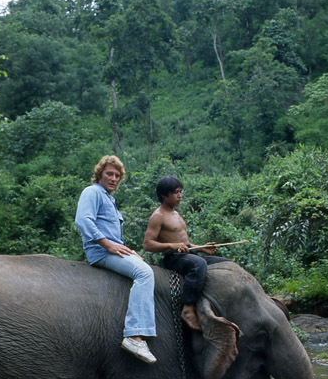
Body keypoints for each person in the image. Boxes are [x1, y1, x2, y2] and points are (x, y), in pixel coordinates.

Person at [75, 155, 157, 364]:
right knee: (144, 273)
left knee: (142, 265)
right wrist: (107, 245)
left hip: (110, 249)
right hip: (101, 252)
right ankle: (134, 335)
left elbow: (112, 236)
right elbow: (83, 220)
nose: (113, 178)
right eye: (109, 174)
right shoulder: (92, 192)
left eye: (117, 175)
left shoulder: (108, 199)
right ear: (99, 175)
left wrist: (126, 250)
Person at [143, 176, 231, 330]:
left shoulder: (176, 214)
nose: (180, 196)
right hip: (174, 257)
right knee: (198, 265)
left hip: (189, 255)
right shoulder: (158, 216)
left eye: (180, 192)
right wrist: (171, 245)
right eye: (176, 192)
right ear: (164, 195)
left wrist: (201, 248)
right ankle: (188, 308)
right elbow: (147, 244)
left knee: (225, 263)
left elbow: (185, 244)